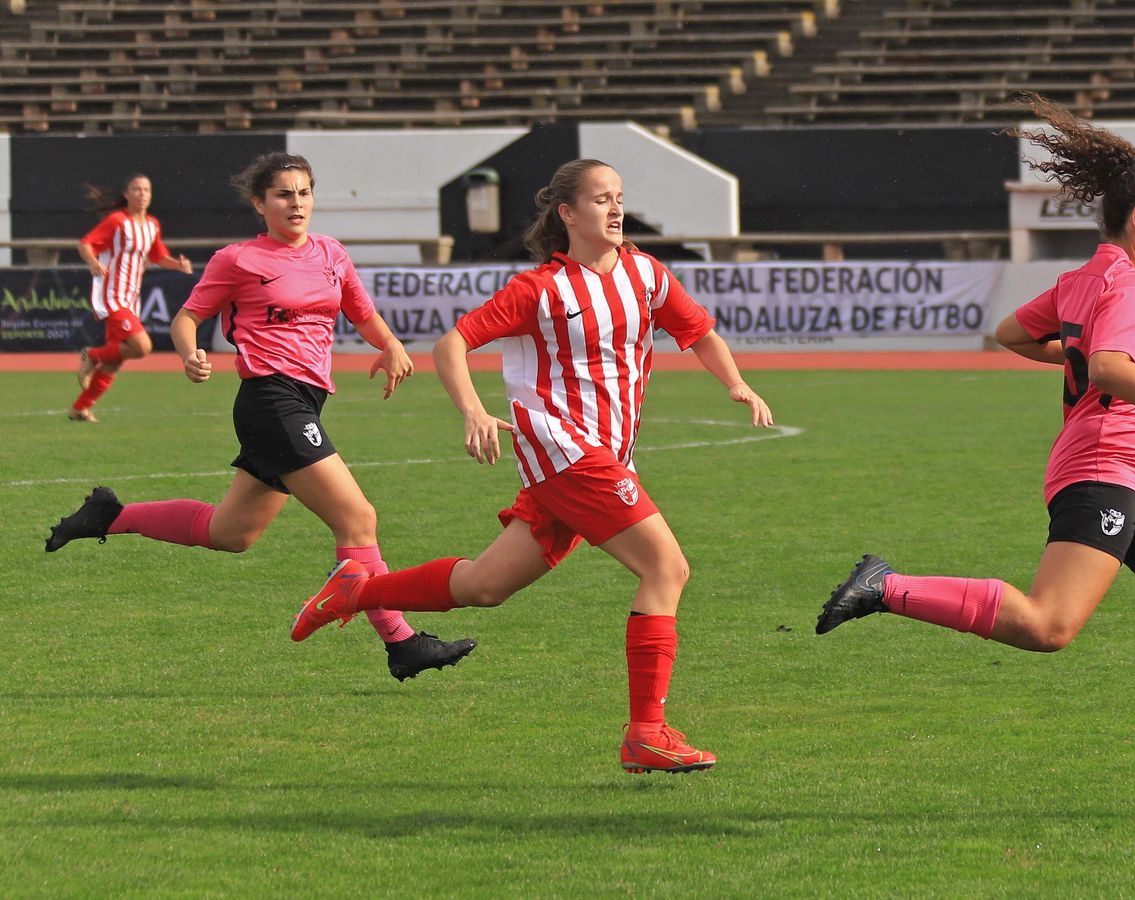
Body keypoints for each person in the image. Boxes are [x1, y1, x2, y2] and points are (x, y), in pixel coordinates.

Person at [815, 93, 1135, 819]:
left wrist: (1078, 354)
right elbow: (1113, 367)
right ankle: (886, 585)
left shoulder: (1085, 280)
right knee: (1049, 625)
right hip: (1105, 470)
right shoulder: (1124, 284)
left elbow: (1010, 334)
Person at [289, 158, 773, 774]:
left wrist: (736, 384)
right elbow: (452, 344)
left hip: (600, 456)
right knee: (666, 567)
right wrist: (473, 411)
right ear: (567, 214)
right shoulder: (541, 289)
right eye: (602, 199)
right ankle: (645, 733)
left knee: (485, 585)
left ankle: (358, 591)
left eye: (619, 197)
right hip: (568, 453)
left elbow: (698, 330)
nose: (616, 209)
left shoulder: (646, 276)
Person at [45, 152, 477, 682]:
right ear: (259, 204)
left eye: (304, 193)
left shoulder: (331, 254)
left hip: (304, 401)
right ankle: (402, 643)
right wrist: (189, 354)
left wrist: (389, 345)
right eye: (283, 194)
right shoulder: (238, 259)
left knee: (231, 532)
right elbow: (188, 317)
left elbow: (360, 310)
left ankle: (109, 515)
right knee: (358, 520)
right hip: (271, 401)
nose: (296, 203)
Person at [70, 174, 194, 423]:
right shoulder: (117, 221)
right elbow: (85, 243)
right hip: (113, 296)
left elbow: (158, 255)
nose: (142, 193)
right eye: (136, 189)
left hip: (131, 299)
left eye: (146, 189)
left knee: (114, 362)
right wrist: (93, 263)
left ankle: (80, 408)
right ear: (126, 194)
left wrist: (177, 265)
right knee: (143, 347)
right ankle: (91, 354)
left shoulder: (152, 225)